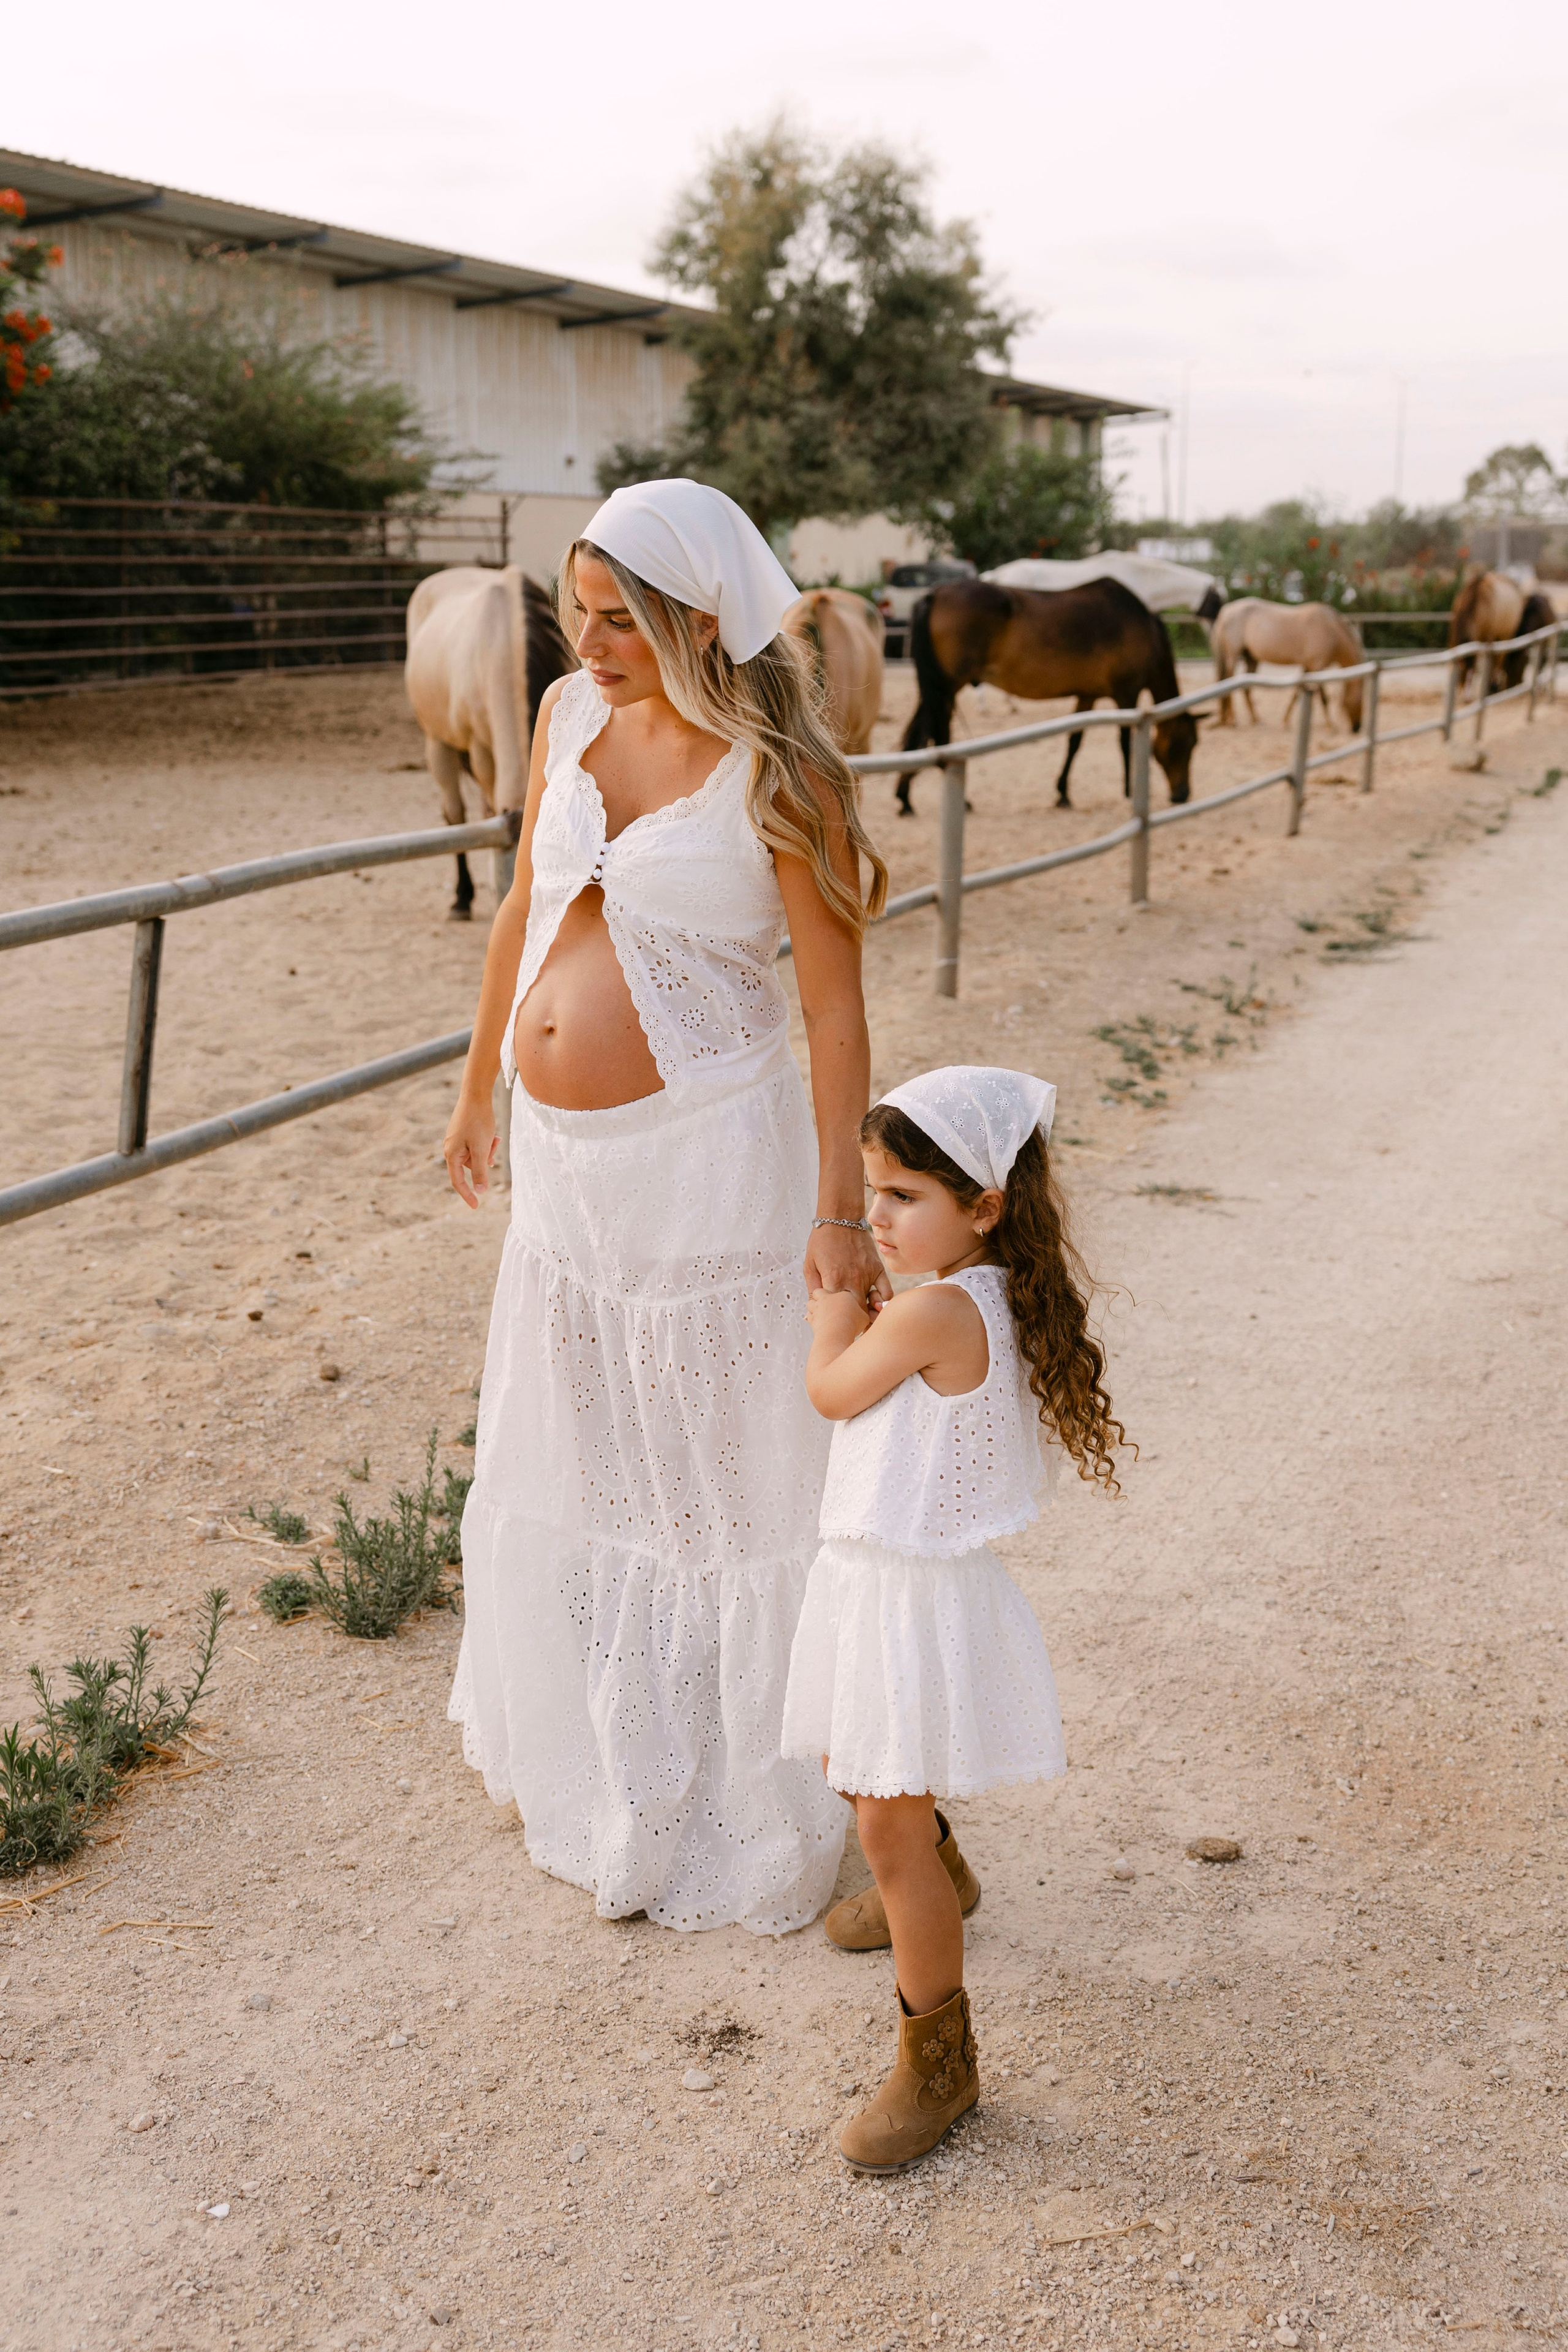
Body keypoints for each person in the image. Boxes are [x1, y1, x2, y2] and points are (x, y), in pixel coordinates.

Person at [441, 478, 890, 1935]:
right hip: (569, 1181)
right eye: (577, 609)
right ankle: (618, 1767)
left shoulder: (778, 771)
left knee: (726, 1471)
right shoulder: (569, 723)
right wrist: (469, 1093)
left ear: (700, 617)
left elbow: (832, 1016)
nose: (586, 640)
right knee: (593, 1455)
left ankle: (773, 1798)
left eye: (618, 617)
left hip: (712, 1163)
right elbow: (525, 906)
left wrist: (838, 1216)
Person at [782, 1065, 1126, 2169]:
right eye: (873, 1194)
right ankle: (941, 1873)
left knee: (879, 1818)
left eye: (905, 1198)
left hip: (905, 1595)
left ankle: (939, 2064)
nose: (877, 1219)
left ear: (984, 1207)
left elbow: (832, 1391)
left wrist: (833, 1302)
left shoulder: (933, 1307)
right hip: (882, 1582)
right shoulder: (973, 1288)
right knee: (862, 1771)